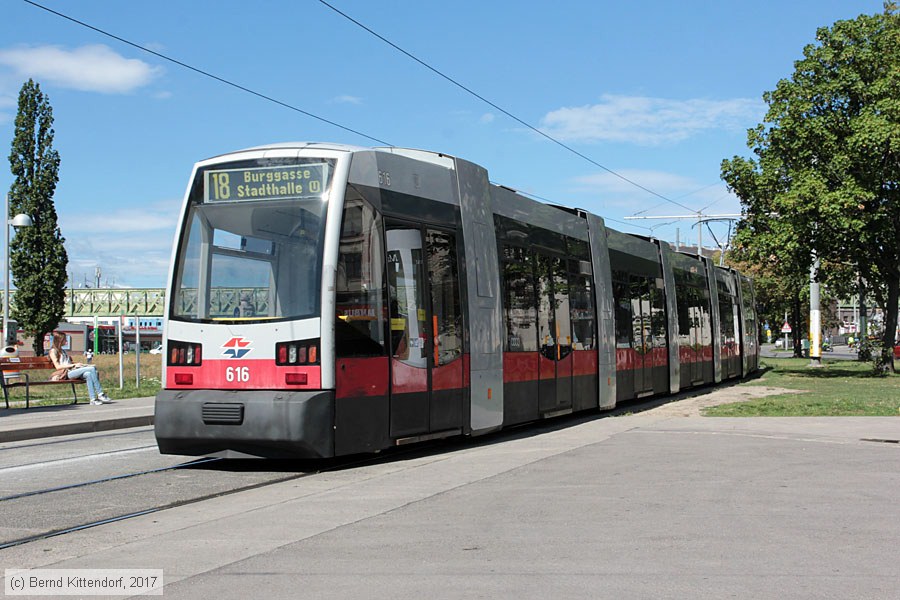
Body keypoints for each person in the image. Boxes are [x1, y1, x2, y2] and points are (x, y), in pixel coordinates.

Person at [48, 332, 111, 405]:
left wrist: (82, 365)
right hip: (65, 373)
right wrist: (73, 365)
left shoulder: (62, 351)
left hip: (71, 370)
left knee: (88, 374)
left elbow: (68, 363)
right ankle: (100, 394)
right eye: (64, 339)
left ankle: (93, 399)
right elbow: (58, 367)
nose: (66, 341)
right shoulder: (53, 351)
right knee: (92, 369)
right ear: (59, 340)